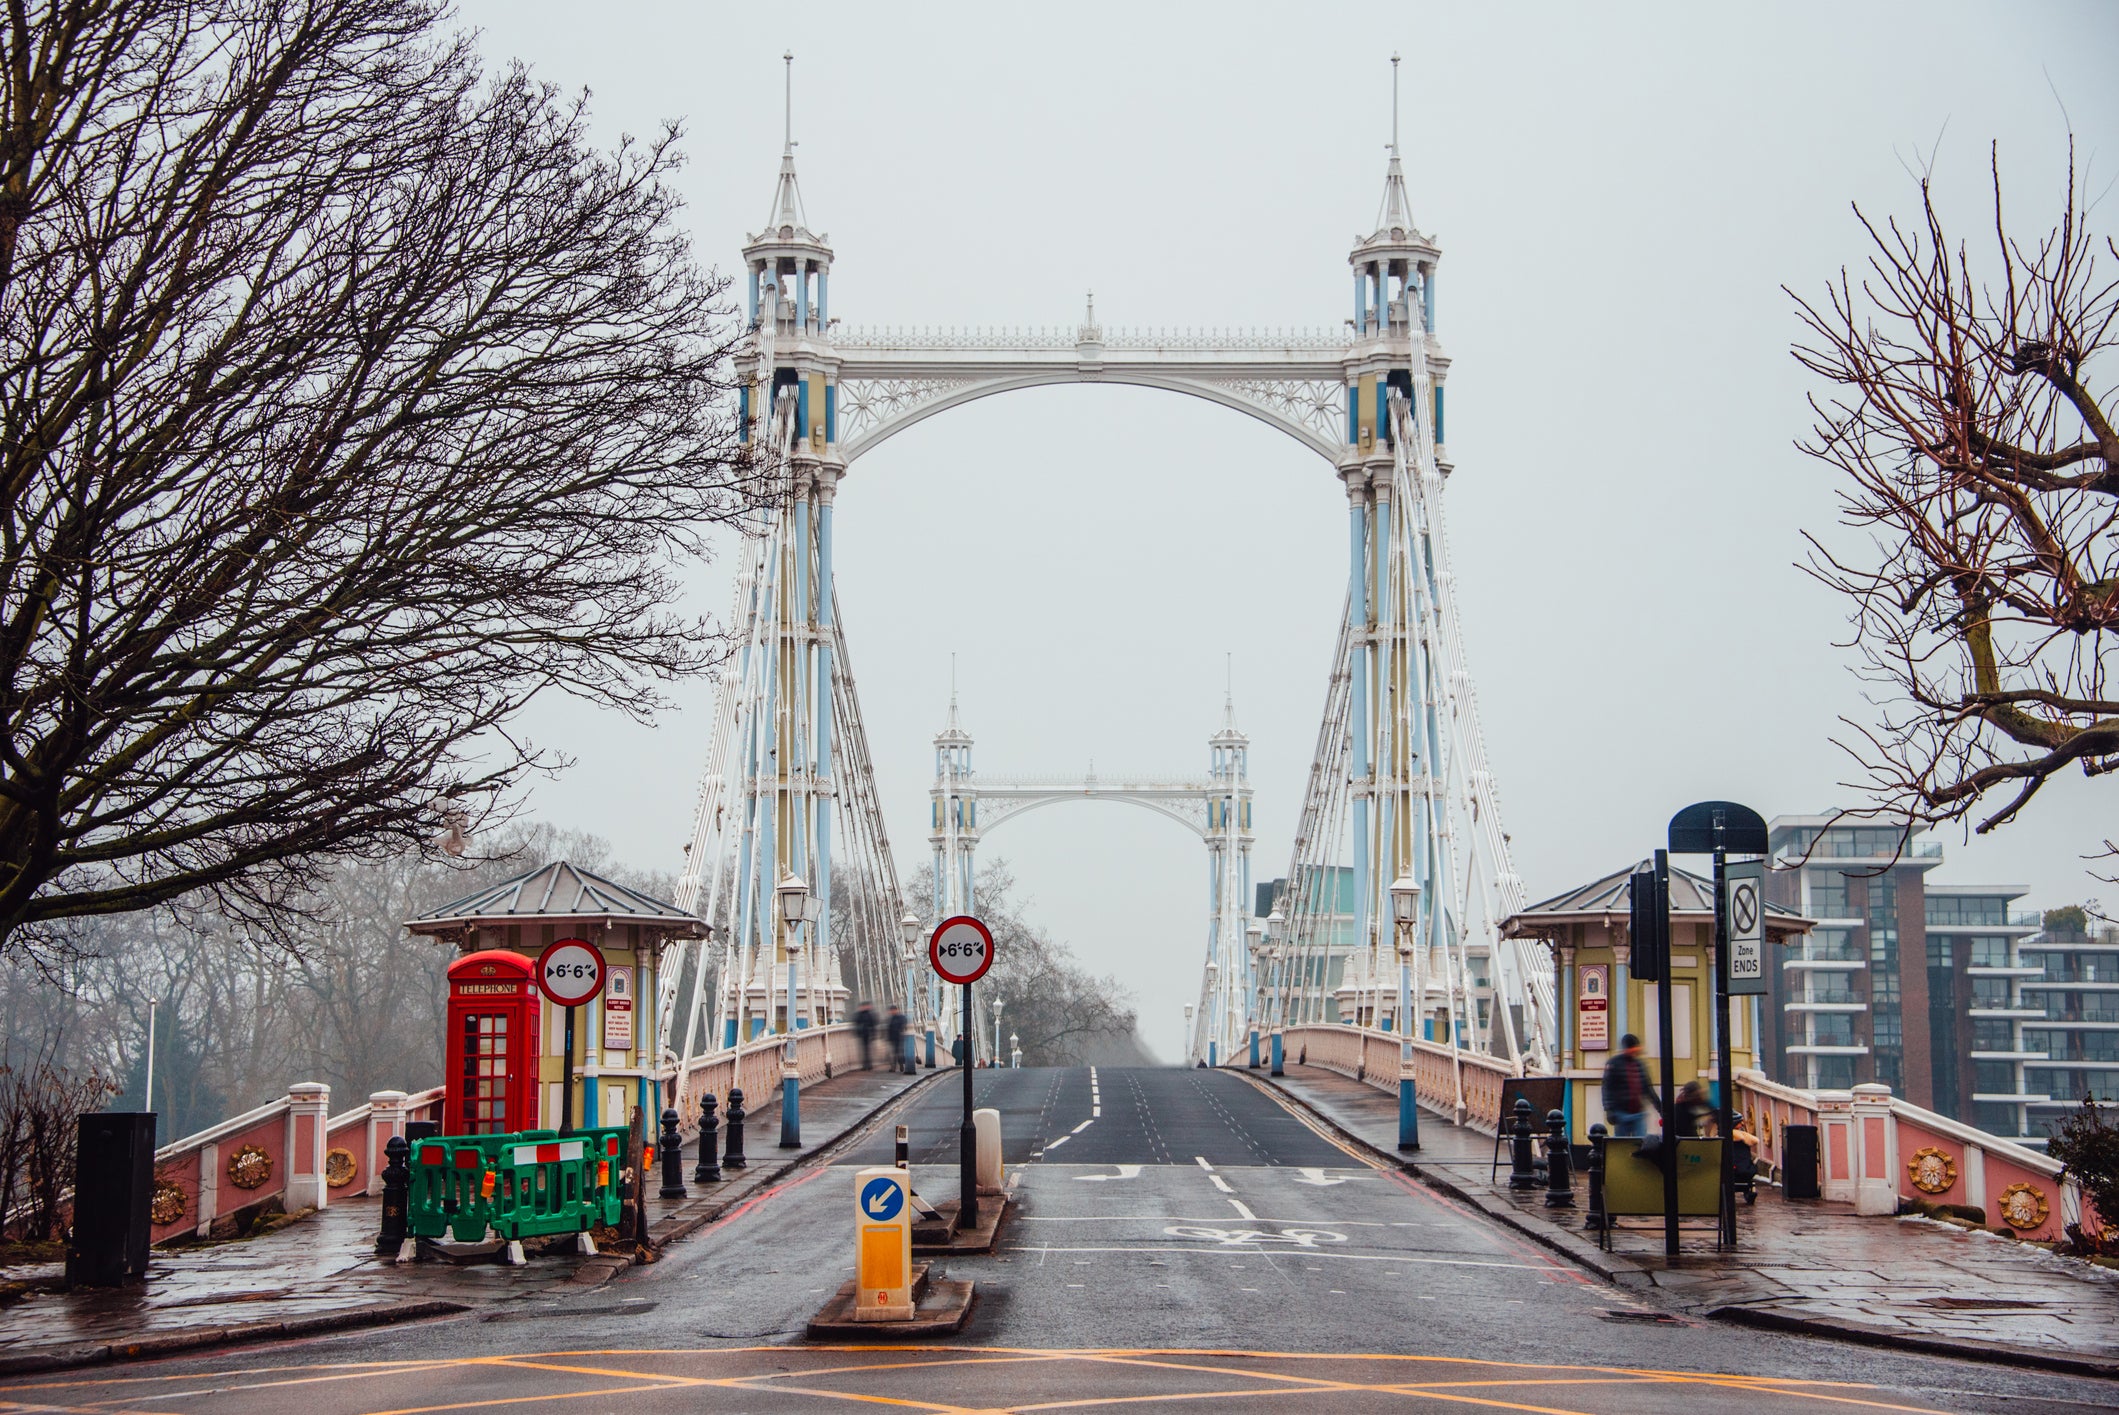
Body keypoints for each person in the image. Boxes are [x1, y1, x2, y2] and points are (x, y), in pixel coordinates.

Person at [1600, 1034, 1660, 1139]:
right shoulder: (1615, 1064)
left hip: (1637, 1112)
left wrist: (1659, 1107)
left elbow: (1647, 1088)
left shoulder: (1639, 1065)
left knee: (1639, 1142)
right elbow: (1607, 1088)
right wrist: (1609, 1109)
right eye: (1633, 1048)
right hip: (1621, 1113)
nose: (1635, 1051)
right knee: (1623, 1143)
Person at [853, 1001, 877, 1070]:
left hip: (867, 1034)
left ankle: (868, 1065)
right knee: (865, 1051)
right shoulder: (865, 1014)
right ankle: (866, 1065)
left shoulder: (867, 1014)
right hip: (864, 1034)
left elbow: (873, 1024)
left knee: (867, 1051)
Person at [885, 1004, 909, 1074]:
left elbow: (903, 1025)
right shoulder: (891, 1018)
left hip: (899, 1037)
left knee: (899, 1053)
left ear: (896, 1010)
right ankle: (894, 1067)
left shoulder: (901, 1017)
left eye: (892, 1010)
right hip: (893, 1037)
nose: (891, 1012)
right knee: (894, 1053)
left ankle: (900, 1065)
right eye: (891, 1011)